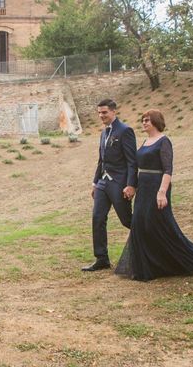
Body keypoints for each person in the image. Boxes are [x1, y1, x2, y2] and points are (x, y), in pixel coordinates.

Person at [115, 110, 193, 281]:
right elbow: (140, 169)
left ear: (156, 121)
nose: (144, 123)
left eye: (147, 120)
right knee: (140, 223)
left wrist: (162, 193)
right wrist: (133, 188)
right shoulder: (145, 141)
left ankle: (187, 259)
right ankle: (147, 265)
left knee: (161, 224)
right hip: (144, 188)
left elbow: (168, 170)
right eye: (143, 120)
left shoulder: (164, 141)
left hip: (157, 186)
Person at [83, 99, 137, 272]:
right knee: (97, 218)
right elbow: (101, 160)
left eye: (104, 112)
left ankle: (152, 243)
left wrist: (130, 185)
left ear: (114, 111)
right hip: (102, 184)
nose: (101, 116)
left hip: (119, 184)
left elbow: (131, 161)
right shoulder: (104, 133)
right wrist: (94, 182)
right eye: (99, 113)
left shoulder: (125, 131)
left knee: (127, 220)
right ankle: (101, 258)